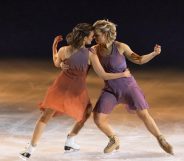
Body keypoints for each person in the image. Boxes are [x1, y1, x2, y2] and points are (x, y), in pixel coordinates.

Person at [19, 23, 131, 160]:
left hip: (60, 87)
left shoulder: (64, 50)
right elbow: (103, 75)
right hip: (77, 90)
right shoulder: (90, 54)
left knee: (45, 117)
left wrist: (54, 47)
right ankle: (70, 140)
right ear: (84, 38)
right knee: (87, 112)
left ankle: (30, 150)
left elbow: (56, 62)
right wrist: (122, 75)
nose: (93, 38)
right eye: (91, 36)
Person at [91, 20, 173, 155]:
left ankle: (161, 138)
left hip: (128, 86)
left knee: (143, 114)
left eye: (97, 35)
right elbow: (100, 72)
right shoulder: (94, 50)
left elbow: (139, 59)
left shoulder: (121, 47)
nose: (94, 37)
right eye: (94, 35)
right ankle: (114, 139)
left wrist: (154, 53)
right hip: (110, 89)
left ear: (106, 34)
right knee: (98, 118)